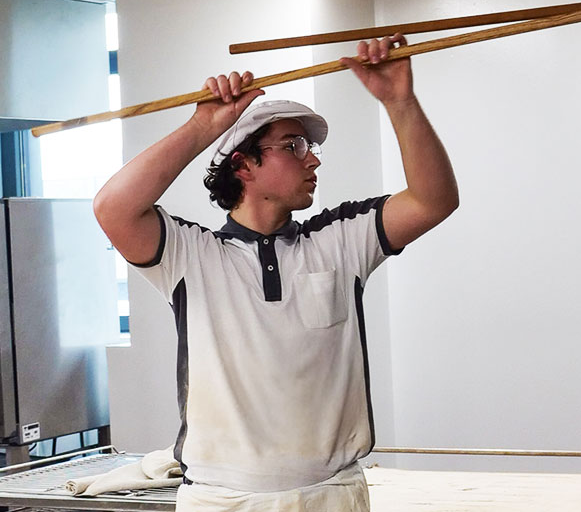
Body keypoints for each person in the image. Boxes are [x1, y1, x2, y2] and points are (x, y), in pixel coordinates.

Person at [94, 34, 459, 511]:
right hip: (222, 500)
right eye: (295, 145)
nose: (313, 158)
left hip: (331, 495)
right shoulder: (192, 255)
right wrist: (204, 126)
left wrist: (400, 101)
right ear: (242, 164)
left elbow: (435, 200)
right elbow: (113, 209)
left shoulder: (340, 239)